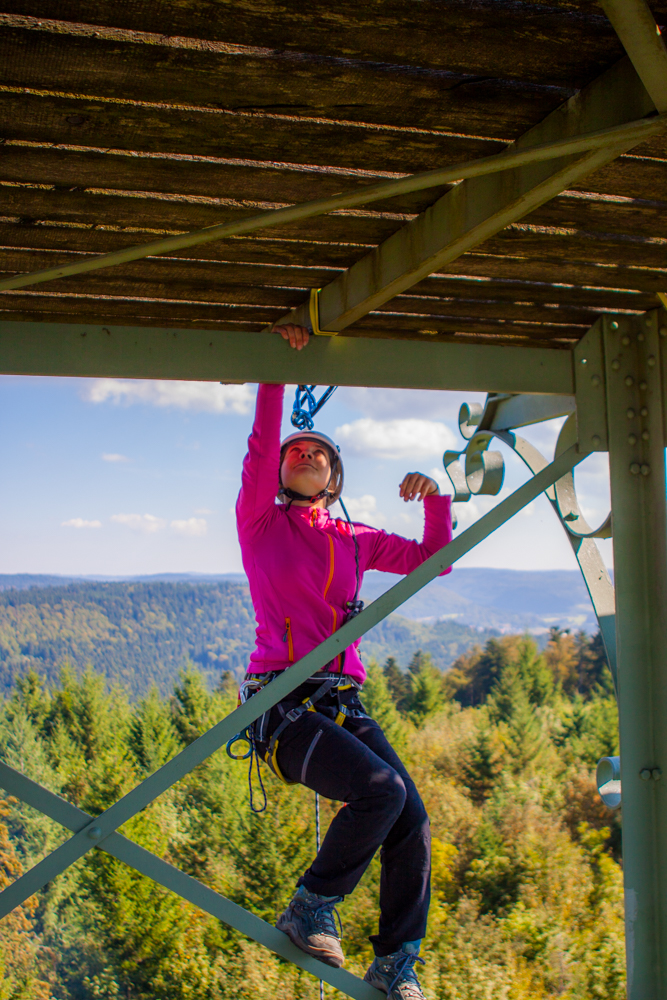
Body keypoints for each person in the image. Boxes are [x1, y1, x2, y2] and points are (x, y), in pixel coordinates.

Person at [235, 323, 453, 1000]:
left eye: (316, 453)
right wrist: (276, 368)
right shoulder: (261, 521)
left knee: (410, 820)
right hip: (282, 702)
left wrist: (436, 497)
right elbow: (261, 441)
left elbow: (432, 565)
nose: (301, 454)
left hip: (339, 701)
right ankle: (310, 906)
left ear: (333, 479)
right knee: (381, 792)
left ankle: (395, 965)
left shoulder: (355, 539)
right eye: (292, 451)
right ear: (278, 471)